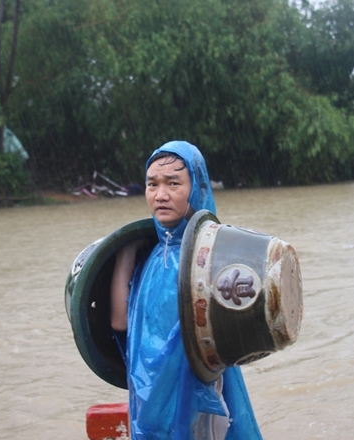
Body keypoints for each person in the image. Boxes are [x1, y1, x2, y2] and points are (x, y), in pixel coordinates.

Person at [110, 141, 263, 439]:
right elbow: (120, 323)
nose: (160, 195)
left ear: (196, 188)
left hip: (200, 395)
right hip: (150, 394)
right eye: (152, 184)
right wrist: (124, 257)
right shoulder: (150, 257)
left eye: (173, 183)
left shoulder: (211, 261)